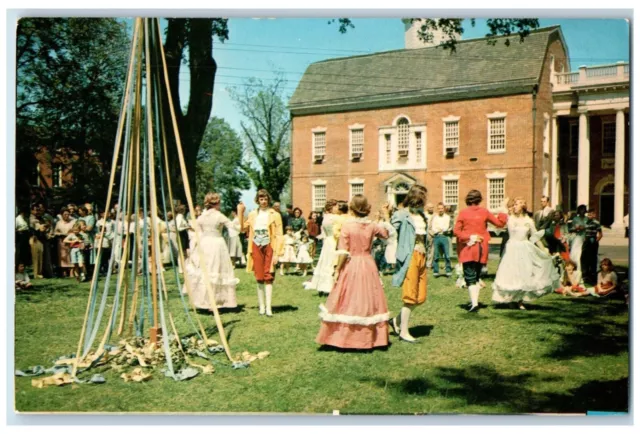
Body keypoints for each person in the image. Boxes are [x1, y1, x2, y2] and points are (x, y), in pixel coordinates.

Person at [316, 195, 390, 350]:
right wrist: (386, 216)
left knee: (348, 298)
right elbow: (386, 234)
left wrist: (337, 270)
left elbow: (343, 251)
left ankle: (348, 338)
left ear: (352, 208)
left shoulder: (348, 226)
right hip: (368, 263)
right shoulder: (371, 225)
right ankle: (367, 338)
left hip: (352, 263)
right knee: (368, 297)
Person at [491, 197, 560, 309]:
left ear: (523, 207)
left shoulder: (528, 221)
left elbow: (535, 237)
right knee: (511, 274)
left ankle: (520, 300)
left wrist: (543, 250)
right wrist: (504, 203)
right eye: (514, 204)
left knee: (524, 274)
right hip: (511, 248)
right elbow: (500, 212)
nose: (514, 206)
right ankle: (510, 299)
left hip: (524, 248)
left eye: (517, 204)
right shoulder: (510, 218)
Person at [386, 185, 429, 343]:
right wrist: (386, 216)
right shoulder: (402, 214)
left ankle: (396, 321)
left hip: (422, 255)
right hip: (409, 256)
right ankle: (404, 332)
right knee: (410, 296)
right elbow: (389, 232)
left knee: (421, 296)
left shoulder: (422, 215)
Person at [184, 192, 241, 310]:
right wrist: (240, 213)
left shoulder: (202, 216)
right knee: (216, 269)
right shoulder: (219, 215)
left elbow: (197, 231)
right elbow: (235, 227)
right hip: (216, 244)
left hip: (204, 244)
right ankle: (213, 302)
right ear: (217, 203)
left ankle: (204, 300)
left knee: (206, 270)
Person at [454, 190, 508, 312]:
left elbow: (456, 231)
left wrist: (469, 236)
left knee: (470, 275)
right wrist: (503, 210)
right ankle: (475, 302)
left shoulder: (463, 213)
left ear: (467, 199)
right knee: (476, 275)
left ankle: (474, 304)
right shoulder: (484, 212)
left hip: (468, 247)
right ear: (480, 199)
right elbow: (500, 223)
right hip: (482, 248)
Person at [240, 189, 284, 317]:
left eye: (265, 199)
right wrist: (241, 213)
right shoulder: (253, 214)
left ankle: (269, 307)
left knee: (268, 274)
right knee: (259, 275)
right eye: (261, 199)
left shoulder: (274, 214)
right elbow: (243, 228)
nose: (263, 202)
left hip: (269, 244)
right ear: (257, 200)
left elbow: (279, 234)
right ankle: (262, 307)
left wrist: (277, 253)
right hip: (256, 244)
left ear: (268, 200)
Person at [303, 200, 339, 294]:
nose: (337, 208)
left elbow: (323, 232)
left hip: (327, 241)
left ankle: (322, 285)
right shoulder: (334, 218)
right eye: (336, 207)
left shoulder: (325, 218)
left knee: (325, 262)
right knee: (331, 261)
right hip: (333, 241)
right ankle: (329, 286)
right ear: (331, 208)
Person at [430, 202, 453, 277]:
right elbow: (433, 228)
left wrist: (441, 229)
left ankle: (448, 271)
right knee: (436, 255)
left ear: (444, 209)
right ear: (437, 209)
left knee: (447, 255)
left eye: (442, 208)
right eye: (439, 208)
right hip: (436, 237)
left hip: (444, 237)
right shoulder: (435, 218)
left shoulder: (447, 217)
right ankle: (436, 272)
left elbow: (446, 227)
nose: (440, 210)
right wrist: (438, 230)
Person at [582, 209, 603, 285]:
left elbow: (600, 234)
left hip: (593, 240)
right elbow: (584, 232)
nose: (589, 216)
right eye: (588, 214)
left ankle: (592, 275)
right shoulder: (585, 222)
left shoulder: (596, 223)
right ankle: (585, 275)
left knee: (593, 258)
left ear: (594, 215)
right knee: (584, 257)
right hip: (586, 241)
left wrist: (596, 241)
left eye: (591, 214)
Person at [54, 208, 76, 277]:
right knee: (62, 256)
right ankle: (64, 272)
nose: (66, 216)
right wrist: (60, 234)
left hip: (70, 241)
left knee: (70, 256)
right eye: (65, 214)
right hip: (62, 241)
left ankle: (71, 272)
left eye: (68, 214)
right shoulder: (59, 223)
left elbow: (75, 229)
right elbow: (55, 232)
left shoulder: (73, 221)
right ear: (62, 215)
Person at [568, 205, 588, 273]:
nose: (582, 211)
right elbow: (576, 227)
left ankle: (586, 270)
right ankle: (576, 267)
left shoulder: (587, 219)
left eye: (583, 210)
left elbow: (587, 227)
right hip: (578, 237)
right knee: (576, 253)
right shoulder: (575, 219)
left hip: (585, 236)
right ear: (579, 211)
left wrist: (583, 227)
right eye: (581, 210)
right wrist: (580, 228)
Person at [425, 202, 435, 270]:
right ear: (427, 208)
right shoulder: (423, 214)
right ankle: (423, 263)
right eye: (430, 207)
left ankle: (429, 264)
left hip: (431, 233)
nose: (431, 209)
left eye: (432, 207)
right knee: (424, 248)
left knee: (431, 249)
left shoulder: (435, 215)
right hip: (423, 233)